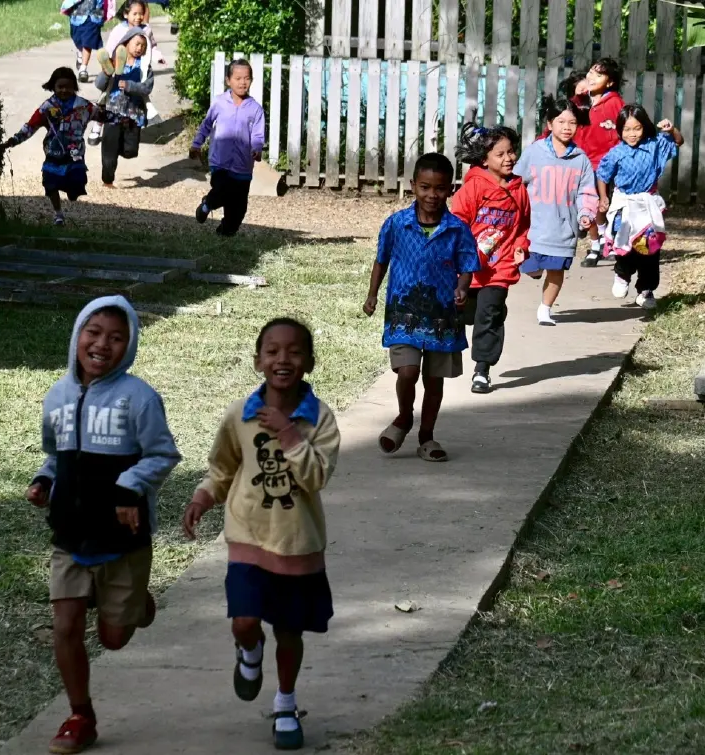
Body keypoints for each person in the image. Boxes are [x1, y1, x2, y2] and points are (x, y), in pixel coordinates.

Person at [27, 295, 182, 754]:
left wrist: (128, 488)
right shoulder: (56, 395)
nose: (102, 344)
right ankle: (80, 716)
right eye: (93, 333)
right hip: (70, 536)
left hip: (122, 540)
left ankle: (134, 605)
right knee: (66, 627)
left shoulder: (139, 398)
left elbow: (162, 454)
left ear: (130, 344)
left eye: (117, 337)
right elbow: (55, 455)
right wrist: (42, 480)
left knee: (113, 640)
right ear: (77, 336)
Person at [181, 318, 341, 752]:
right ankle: (249, 652)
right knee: (245, 620)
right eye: (271, 351)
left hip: (298, 544)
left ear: (308, 362)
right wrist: (202, 497)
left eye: (292, 352)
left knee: (290, 631)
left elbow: (315, 478)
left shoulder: (320, 420)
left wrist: (288, 433)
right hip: (248, 536)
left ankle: (285, 705)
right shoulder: (239, 415)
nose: (282, 359)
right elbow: (222, 467)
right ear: (258, 362)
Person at [363, 153, 480, 461]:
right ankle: (404, 417)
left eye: (439, 188)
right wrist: (372, 294)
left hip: (442, 314)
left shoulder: (456, 229)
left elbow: (467, 265)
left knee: (433, 379)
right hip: (404, 312)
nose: (432, 195)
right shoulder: (396, 224)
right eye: (425, 187)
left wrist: (462, 288)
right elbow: (381, 260)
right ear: (413, 185)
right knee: (407, 371)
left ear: (450, 189)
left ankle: (427, 437)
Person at [451, 123, 531, 394]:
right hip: (470, 269)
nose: (509, 158)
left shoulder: (519, 190)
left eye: (511, 152)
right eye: (501, 154)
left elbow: (522, 226)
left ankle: (482, 370)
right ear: (484, 159)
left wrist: (521, 246)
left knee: (488, 315)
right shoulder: (473, 188)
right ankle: (491, 312)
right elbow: (458, 223)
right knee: (468, 313)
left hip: (501, 267)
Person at [513, 97, 598, 326]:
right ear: (550, 124)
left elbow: (586, 192)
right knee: (530, 267)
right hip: (535, 227)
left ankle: (545, 309)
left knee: (556, 270)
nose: (567, 127)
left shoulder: (581, 160)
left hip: (563, 229)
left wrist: (585, 213)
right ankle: (534, 271)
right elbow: (517, 182)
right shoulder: (534, 152)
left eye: (572, 123)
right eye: (561, 122)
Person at [596, 104, 685, 310]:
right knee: (625, 246)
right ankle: (622, 274)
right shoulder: (616, 153)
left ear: (644, 127)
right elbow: (602, 175)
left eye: (637, 128)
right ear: (619, 130)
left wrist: (671, 130)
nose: (632, 134)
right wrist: (603, 197)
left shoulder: (655, 145)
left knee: (649, 247)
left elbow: (678, 142)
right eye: (627, 129)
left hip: (647, 204)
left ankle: (646, 289)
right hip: (624, 205)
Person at [0, 67, 111, 226]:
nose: (64, 90)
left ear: (74, 86)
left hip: (75, 154)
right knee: (50, 183)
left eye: (68, 86)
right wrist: (13, 141)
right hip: (53, 152)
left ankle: (72, 192)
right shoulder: (46, 108)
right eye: (60, 87)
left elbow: (103, 115)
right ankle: (58, 214)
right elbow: (30, 127)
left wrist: (123, 118)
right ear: (53, 87)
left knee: (76, 185)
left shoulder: (84, 106)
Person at [190, 59, 266, 237]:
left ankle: (224, 233)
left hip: (243, 166)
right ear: (228, 80)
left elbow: (257, 134)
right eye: (238, 78)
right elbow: (206, 125)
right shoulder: (219, 103)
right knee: (222, 192)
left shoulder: (255, 109)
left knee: (238, 209)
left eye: (246, 78)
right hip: (220, 162)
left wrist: (257, 148)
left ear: (251, 80)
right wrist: (196, 144)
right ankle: (206, 205)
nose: (242, 82)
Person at [577, 57, 626, 267]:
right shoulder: (580, 101)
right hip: (581, 162)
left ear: (610, 82)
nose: (592, 77)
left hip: (605, 165)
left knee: (601, 206)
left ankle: (606, 242)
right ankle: (597, 243)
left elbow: (626, 130)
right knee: (587, 206)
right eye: (590, 72)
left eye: (599, 75)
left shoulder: (615, 103)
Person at [91, 28, 154, 187]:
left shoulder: (145, 67)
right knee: (109, 149)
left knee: (130, 151)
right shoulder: (114, 62)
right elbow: (99, 85)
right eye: (137, 44)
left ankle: (115, 149)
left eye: (143, 46)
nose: (140, 48)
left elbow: (147, 88)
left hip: (133, 115)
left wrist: (129, 85)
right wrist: (106, 72)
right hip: (113, 112)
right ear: (125, 44)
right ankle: (108, 180)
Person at [106, 0, 165, 66]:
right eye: (135, 14)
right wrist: (109, 58)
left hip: (141, 66)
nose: (138, 17)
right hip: (123, 66)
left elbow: (151, 47)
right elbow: (111, 46)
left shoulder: (146, 30)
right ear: (126, 14)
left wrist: (158, 57)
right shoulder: (119, 30)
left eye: (141, 14)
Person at [61, 0, 105, 83]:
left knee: (88, 42)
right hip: (76, 17)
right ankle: (80, 54)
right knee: (77, 40)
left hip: (92, 17)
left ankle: (83, 69)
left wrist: (100, 14)